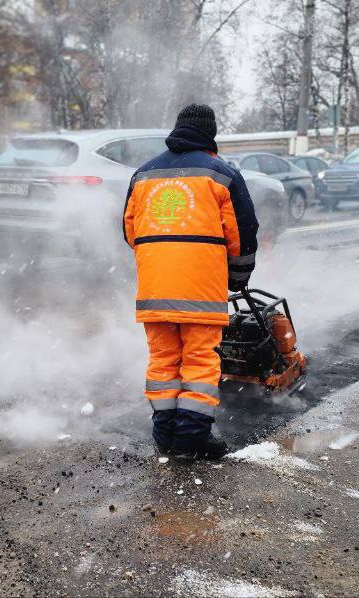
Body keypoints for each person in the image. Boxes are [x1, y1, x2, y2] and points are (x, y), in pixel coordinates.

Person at [122, 104, 258, 459]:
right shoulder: (222, 174)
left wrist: (161, 257)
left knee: (163, 360)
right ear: (210, 135)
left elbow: (129, 230)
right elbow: (242, 233)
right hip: (201, 290)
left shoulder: (143, 174)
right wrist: (238, 276)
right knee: (199, 361)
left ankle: (164, 434)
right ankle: (192, 438)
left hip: (154, 288)